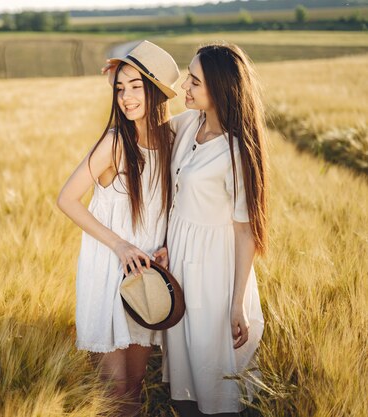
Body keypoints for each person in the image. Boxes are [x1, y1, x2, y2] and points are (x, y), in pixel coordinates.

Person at [57, 40, 179, 416]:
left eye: (135, 86)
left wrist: (164, 247)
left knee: (137, 385)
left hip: (145, 277)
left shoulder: (171, 143)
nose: (125, 97)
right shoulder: (114, 143)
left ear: (157, 91)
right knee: (116, 391)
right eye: (120, 87)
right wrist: (121, 245)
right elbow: (67, 199)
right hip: (109, 270)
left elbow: (165, 210)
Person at [153, 43, 267, 416]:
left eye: (194, 81)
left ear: (218, 89)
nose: (185, 86)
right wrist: (133, 79)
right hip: (180, 263)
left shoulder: (237, 152)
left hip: (215, 272)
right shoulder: (188, 125)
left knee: (211, 368)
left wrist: (237, 303)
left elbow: (245, 232)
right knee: (185, 363)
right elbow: (143, 135)